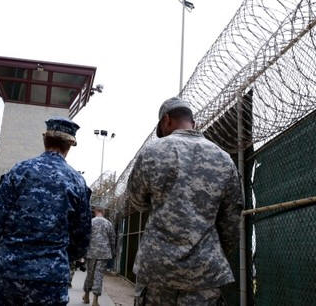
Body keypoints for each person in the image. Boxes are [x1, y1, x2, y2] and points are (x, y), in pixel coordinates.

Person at [127, 97, 243, 306]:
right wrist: (211, 253)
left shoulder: (152, 152)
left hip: (157, 271)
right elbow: (231, 222)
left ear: (166, 120)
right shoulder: (223, 159)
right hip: (204, 272)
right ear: (193, 123)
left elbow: (137, 200)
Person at [0, 117, 91, 306]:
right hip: (50, 281)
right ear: (70, 145)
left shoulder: (19, 171)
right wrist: (58, 261)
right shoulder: (77, 182)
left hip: (7, 276)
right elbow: (82, 238)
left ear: (45, 139)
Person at [83, 207, 116, 305]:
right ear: (103, 211)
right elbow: (112, 239)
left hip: (91, 252)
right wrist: (113, 252)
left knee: (90, 274)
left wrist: (83, 252)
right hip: (103, 253)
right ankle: (95, 300)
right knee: (99, 275)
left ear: (95, 211)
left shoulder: (90, 222)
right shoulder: (108, 223)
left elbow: (85, 237)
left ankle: (86, 296)